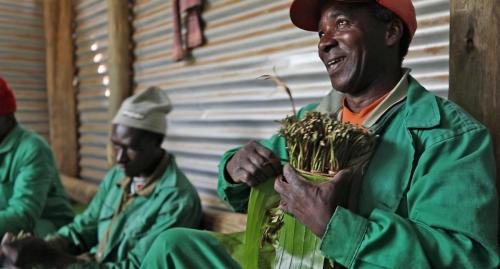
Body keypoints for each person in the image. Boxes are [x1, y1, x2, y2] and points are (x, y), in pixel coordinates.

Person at [140, 0, 500, 268]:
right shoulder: (313, 119)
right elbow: (243, 195)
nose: (324, 42)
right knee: (173, 248)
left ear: (390, 32)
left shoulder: (447, 135)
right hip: (283, 259)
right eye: (321, 32)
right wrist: (235, 168)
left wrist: (335, 226)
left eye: (341, 23)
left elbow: (468, 259)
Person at [0, 87, 202, 268]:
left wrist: (53, 259)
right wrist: (43, 247)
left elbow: (135, 266)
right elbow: (84, 226)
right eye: (116, 145)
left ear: (157, 142)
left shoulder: (177, 201)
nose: (119, 158)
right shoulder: (120, 176)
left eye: (130, 148)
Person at [0, 77, 74, 238]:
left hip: (47, 226)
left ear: (6, 116)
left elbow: (23, 215)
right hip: (8, 224)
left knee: (17, 244)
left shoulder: (33, 149)